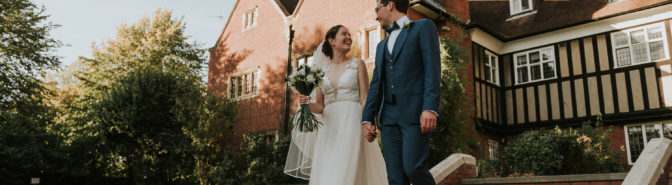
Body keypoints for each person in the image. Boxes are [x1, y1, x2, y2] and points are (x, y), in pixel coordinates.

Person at [284, 25, 388, 185]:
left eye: (350, 34)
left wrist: (370, 123)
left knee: (347, 170)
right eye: (344, 34)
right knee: (329, 171)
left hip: (351, 120)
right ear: (332, 40)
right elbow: (320, 105)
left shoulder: (358, 64)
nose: (349, 37)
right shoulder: (320, 71)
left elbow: (365, 97)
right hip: (328, 127)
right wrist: (306, 104)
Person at [360, 0, 442, 185]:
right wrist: (367, 118)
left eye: (377, 9)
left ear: (390, 4)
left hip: (415, 113)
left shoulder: (423, 27)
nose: (376, 15)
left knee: (414, 167)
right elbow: (376, 85)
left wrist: (430, 107)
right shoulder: (381, 46)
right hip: (388, 118)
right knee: (395, 178)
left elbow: (432, 69)